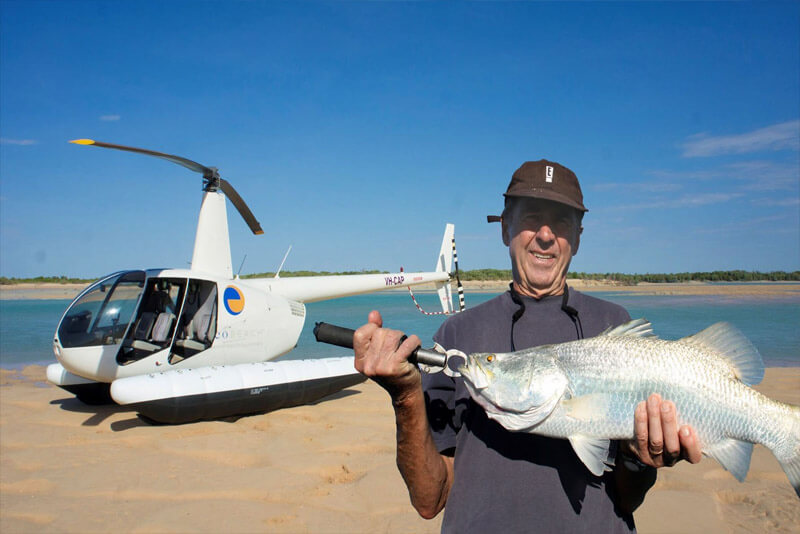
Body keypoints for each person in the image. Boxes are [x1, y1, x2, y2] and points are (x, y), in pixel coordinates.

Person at [353, 160, 702, 533]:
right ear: (505, 228)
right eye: (532, 217)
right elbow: (430, 500)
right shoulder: (456, 335)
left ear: (578, 238)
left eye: (562, 222)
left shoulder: (613, 325)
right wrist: (405, 396)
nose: (546, 235)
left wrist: (639, 459)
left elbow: (626, 498)